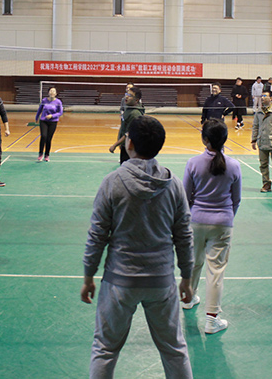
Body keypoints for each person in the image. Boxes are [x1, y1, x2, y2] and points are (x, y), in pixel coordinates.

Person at [81, 115, 194, 378]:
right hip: (162, 281)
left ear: (128, 143)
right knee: (175, 350)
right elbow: (184, 236)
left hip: (119, 281)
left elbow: (97, 235)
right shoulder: (174, 185)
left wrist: (88, 276)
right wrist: (187, 278)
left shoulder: (112, 183)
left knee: (105, 349)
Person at [182, 118, 241, 334]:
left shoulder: (193, 163)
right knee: (215, 272)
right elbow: (236, 199)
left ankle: (188, 299)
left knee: (194, 263)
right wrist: (227, 219)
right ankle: (212, 320)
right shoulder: (234, 165)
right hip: (222, 223)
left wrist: (191, 217)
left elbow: (185, 196)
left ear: (204, 139)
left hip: (196, 221)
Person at [109, 85, 143, 165]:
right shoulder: (128, 109)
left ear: (136, 100)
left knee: (128, 169)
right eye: (126, 94)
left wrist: (115, 145)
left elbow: (129, 133)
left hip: (131, 148)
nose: (127, 97)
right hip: (125, 145)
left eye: (130, 95)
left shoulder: (134, 114)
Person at [35, 86, 63, 162]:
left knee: (49, 139)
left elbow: (60, 112)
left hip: (53, 122)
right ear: (48, 92)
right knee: (43, 136)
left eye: (54, 91)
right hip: (43, 121)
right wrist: (36, 117)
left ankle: (47, 155)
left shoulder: (58, 102)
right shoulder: (44, 100)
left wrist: (52, 116)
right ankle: (40, 154)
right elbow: (39, 109)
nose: (52, 92)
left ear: (56, 93)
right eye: (51, 91)